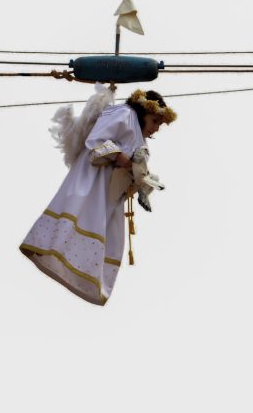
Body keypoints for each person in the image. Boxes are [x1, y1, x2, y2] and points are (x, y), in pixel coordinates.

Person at [20, 89, 177, 305]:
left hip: (110, 193)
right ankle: (52, 249)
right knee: (79, 213)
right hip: (94, 179)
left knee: (100, 229)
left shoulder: (142, 142)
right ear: (142, 112)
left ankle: (82, 270)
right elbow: (97, 140)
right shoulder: (125, 114)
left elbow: (135, 167)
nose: (157, 128)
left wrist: (142, 182)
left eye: (159, 124)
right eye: (155, 121)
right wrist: (125, 161)